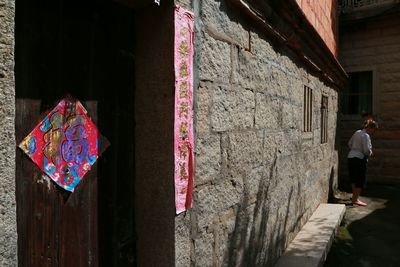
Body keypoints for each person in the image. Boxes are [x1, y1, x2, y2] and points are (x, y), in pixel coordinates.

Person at [347, 119, 378, 206]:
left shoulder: (357, 132)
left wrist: (355, 149)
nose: (373, 132)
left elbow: (349, 143)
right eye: (374, 130)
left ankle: (354, 197)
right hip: (360, 159)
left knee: (353, 178)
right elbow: (366, 150)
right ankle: (355, 199)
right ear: (371, 128)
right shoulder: (366, 136)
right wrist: (370, 152)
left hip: (351, 157)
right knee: (360, 180)